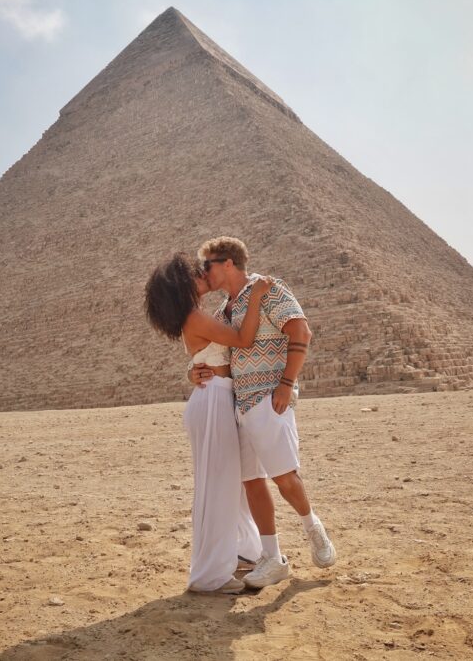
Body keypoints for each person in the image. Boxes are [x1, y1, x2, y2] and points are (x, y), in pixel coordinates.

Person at [189, 236, 336, 589]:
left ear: (227, 264)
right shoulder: (225, 309)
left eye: (207, 265)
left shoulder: (269, 289)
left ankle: (313, 528)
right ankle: (272, 557)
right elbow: (211, 351)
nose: (203, 274)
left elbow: (301, 330)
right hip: (239, 405)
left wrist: (287, 384)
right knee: (252, 482)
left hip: (271, 399)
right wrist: (193, 373)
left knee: (285, 477)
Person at [144, 252, 271, 594]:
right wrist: (257, 295)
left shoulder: (198, 317)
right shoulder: (195, 318)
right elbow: (243, 340)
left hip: (218, 396)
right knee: (218, 489)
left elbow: (210, 356)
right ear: (186, 285)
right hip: (213, 400)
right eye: (198, 273)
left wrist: (193, 372)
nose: (204, 275)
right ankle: (209, 576)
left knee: (231, 486)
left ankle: (242, 551)